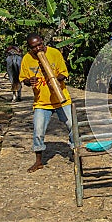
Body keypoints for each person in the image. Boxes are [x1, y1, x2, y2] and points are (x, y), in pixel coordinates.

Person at [19, 33, 73, 173]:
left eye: (39, 45)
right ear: (30, 48)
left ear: (43, 42)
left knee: (73, 126)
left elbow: (64, 73)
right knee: (38, 131)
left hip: (61, 99)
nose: (38, 49)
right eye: (34, 47)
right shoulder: (27, 59)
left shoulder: (54, 53)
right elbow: (23, 79)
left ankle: (76, 153)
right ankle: (38, 161)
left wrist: (55, 79)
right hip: (41, 102)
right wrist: (28, 81)